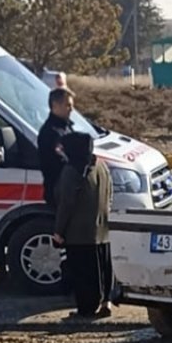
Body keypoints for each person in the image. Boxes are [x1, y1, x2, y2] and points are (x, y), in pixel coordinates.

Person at [53, 131, 113, 320]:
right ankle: (106, 302)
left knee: (83, 273)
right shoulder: (101, 166)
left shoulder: (72, 171)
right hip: (103, 230)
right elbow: (110, 194)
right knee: (104, 269)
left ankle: (87, 309)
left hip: (80, 233)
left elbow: (66, 204)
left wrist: (58, 231)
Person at [38, 87, 75, 207]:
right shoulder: (50, 133)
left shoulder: (66, 128)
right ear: (55, 105)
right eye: (67, 105)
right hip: (59, 192)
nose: (71, 109)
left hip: (70, 190)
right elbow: (60, 162)